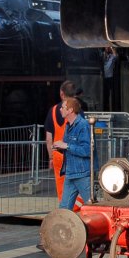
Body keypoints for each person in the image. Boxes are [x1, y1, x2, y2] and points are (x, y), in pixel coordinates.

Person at [44, 81, 83, 209]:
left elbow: (49, 138)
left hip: (58, 156)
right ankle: (77, 213)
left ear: (62, 93)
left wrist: (50, 157)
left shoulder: (53, 110)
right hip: (74, 154)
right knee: (78, 186)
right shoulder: (77, 111)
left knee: (62, 188)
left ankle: (64, 212)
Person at [53, 96, 93, 211]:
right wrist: (60, 147)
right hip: (71, 173)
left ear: (70, 110)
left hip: (81, 173)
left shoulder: (82, 125)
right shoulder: (68, 125)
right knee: (64, 208)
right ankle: (62, 228)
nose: (60, 109)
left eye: (63, 107)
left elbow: (87, 150)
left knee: (92, 207)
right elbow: (72, 148)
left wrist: (66, 145)